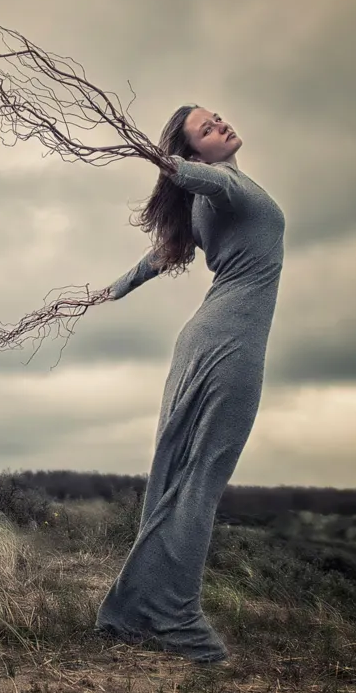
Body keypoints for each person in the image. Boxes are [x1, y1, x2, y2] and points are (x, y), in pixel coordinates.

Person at [94, 104, 285, 663]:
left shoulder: (205, 204)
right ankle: (175, 621)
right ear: (193, 152)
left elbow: (158, 257)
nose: (222, 125)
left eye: (218, 118)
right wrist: (164, 160)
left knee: (179, 474)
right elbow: (196, 181)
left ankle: (139, 614)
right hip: (230, 345)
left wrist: (107, 292)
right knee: (199, 480)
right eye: (207, 128)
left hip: (202, 340)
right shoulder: (221, 184)